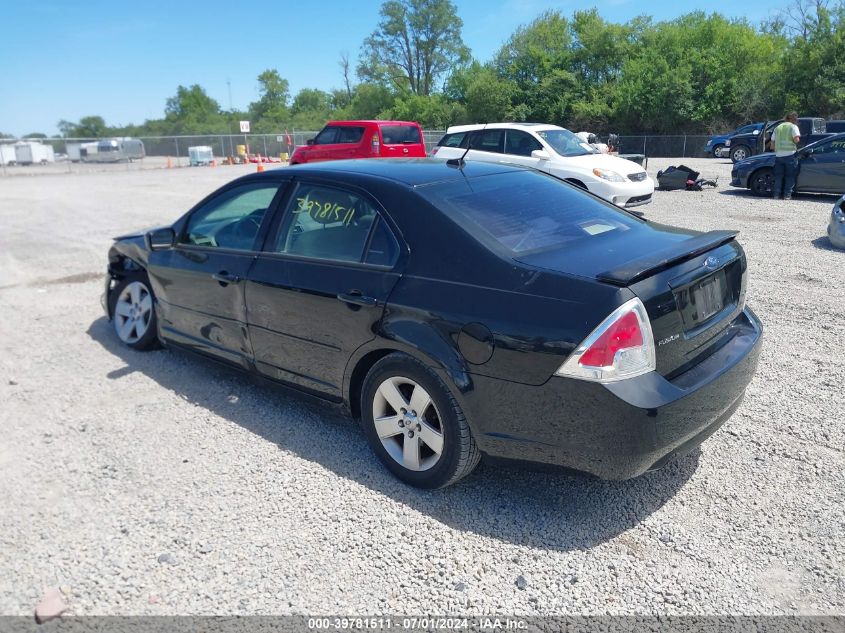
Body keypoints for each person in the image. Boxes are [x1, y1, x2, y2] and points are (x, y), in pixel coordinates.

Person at [771, 112, 801, 200]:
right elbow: (796, 140)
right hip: (790, 155)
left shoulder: (778, 127)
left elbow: (772, 143)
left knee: (778, 176)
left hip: (779, 155)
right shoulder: (793, 127)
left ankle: (776, 195)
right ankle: (787, 195)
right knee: (790, 176)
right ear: (793, 119)